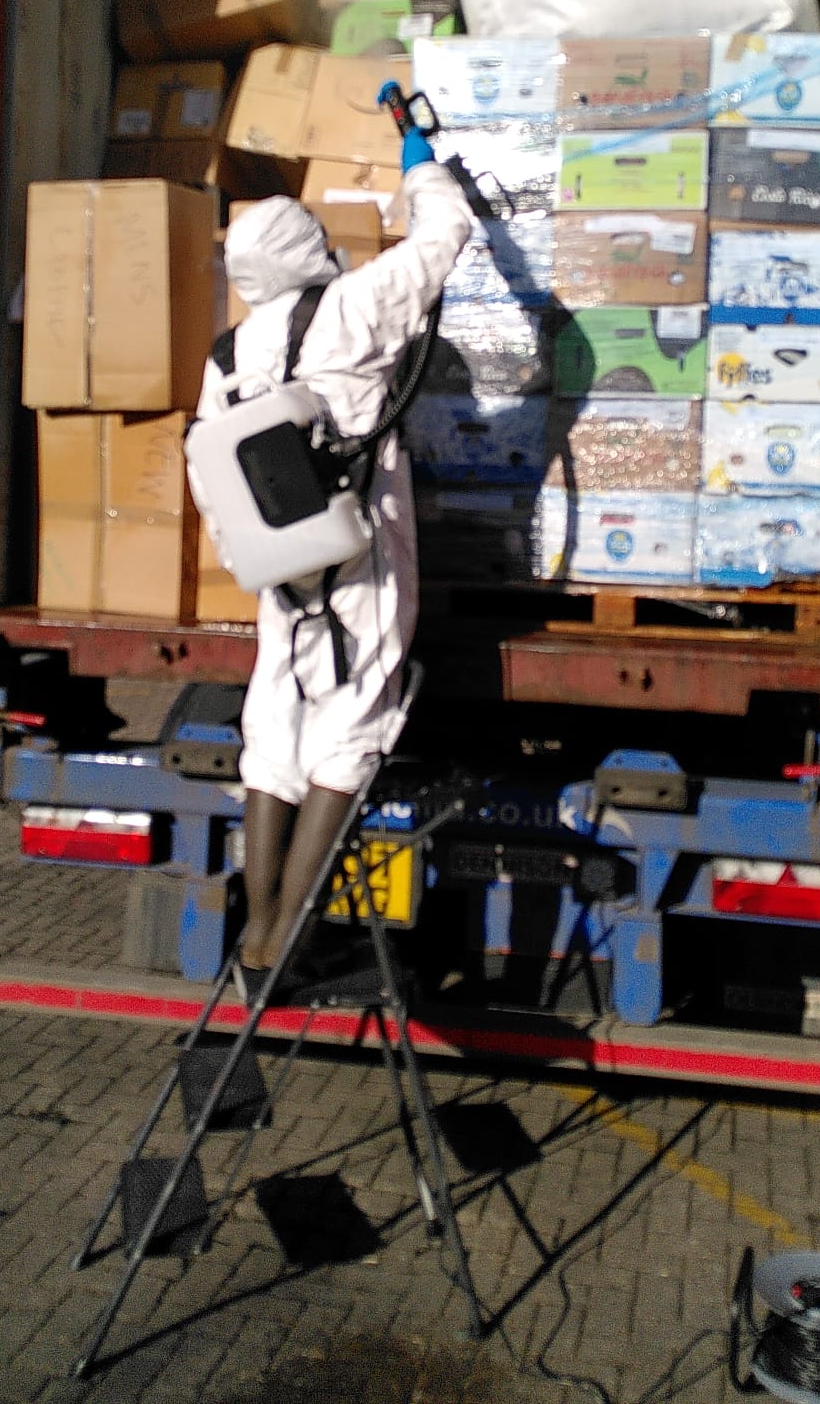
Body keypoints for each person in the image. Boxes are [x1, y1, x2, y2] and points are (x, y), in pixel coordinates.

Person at [196, 123, 472, 1000]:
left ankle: (259, 930)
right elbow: (445, 237)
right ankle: (288, 937)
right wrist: (421, 164)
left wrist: (253, 551)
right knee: (352, 723)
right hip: (360, 552)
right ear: (302, 253)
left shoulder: (228, 355)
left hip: (279, 565)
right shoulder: (352, 306)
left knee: (274, 728)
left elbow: (210, 463)